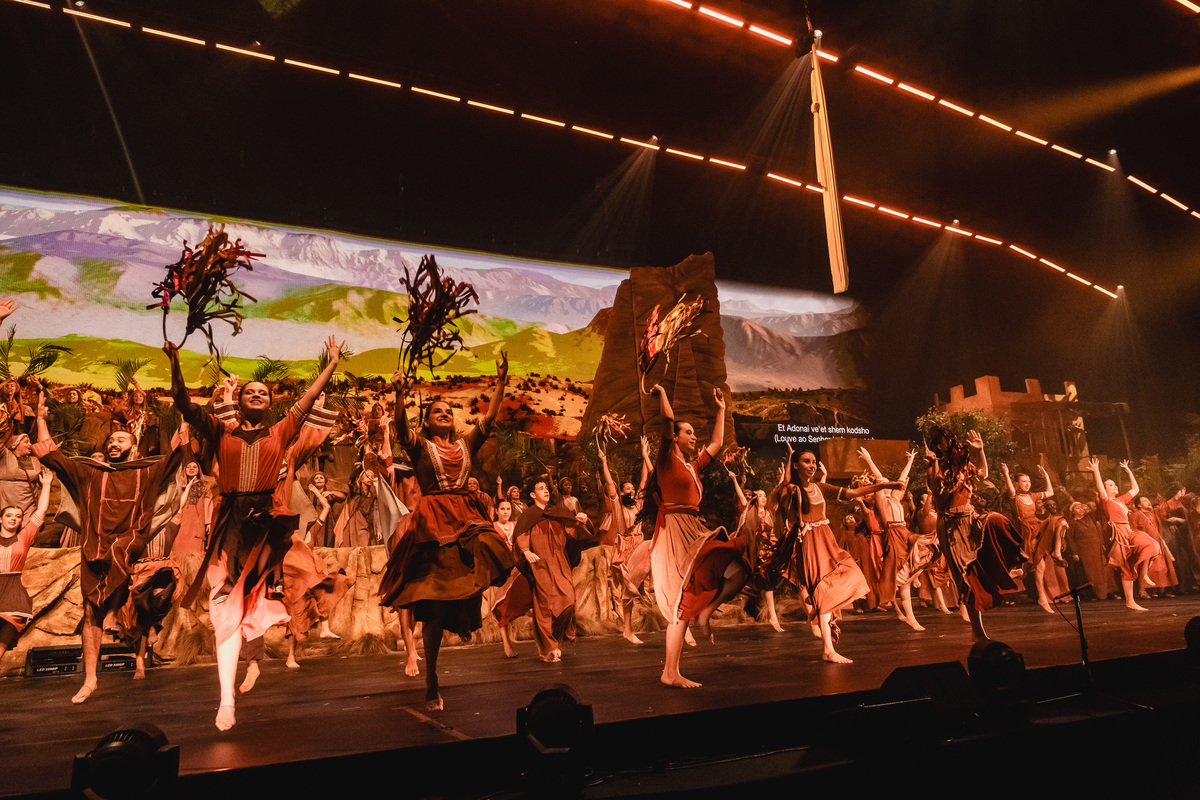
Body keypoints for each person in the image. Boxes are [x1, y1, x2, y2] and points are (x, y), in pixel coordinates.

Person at [165, 335, 344, 731]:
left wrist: (331, 363)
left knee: (266, 590)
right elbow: (182, 402)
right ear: (241, 401)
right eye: (251, 391)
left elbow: (309, 398)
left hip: (264, 522)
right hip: (231, 521)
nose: (258, 394)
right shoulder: (220, 431)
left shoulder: (280, 431)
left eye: (264, 392)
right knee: (225, 606)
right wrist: (175, 363)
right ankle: (226, 699)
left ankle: (264, 638)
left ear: (270, 402)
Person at [378, 355, 514, 711]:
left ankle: (467, 612)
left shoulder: (466, 444)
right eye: (437, 411)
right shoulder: (422, 446)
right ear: (427, 420)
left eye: (448, 411)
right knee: (435, 607)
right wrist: (399, 395)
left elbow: (489, 418)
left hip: (465, 516)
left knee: (488, 544)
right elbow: (401, 430)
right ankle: (432, 678)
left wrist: (500, 383)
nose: (444, 414)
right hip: (434, 522)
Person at [33, 387, 185, 704]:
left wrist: (184, 417)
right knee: (91, 612)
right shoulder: (89, 472)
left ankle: (120, 616)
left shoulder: (146, 472)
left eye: (121, 440)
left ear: (133, 446)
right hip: (95, 547)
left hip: (128, 543)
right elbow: (50, 455)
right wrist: (40, 418)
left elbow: (177, 454)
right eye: (111, 440)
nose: (113, 444)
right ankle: (90, 678)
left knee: (122, 558)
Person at [643, 384, 747, 689]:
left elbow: (716, 442)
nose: (693, 437)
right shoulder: (666, 460)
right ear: (675, 437)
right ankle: (670, 672)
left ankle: (706, 613)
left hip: (693, 530)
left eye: (693, 433)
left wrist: (721, 409)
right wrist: (662, 392)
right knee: (680, 602)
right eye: (688, 432)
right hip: (675, 534)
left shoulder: (692, 466)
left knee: (738, 569)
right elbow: (667, 420)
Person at [772, 444, 899, 662]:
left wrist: (883, 485)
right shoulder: (792, 490)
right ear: (796, 465)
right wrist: (788, 466)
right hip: (809, 543)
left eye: (813, 462)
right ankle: (828, 649)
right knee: (823, 590)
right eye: (806, 461)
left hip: (826, 540)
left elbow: (854, 493)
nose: (812, 465)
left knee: (849, 572)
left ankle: (820, 629)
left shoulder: (820, 487)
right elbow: (783, 500)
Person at [925, 427, 1025, 641]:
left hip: (970, 521)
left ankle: (1005, 569)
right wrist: (933, 463)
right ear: (940, 447)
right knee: (967, 578)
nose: (952, 444)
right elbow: (936, 489)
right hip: (950, 526)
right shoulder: (939, 469)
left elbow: (983, 473)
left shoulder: (965, 468)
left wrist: (980, 451)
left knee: (997, 521)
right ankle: (978, 632)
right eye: (945, 442)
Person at [513, 477, 595, 662]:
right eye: (541, 488)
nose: (546, 491)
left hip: (559, 562)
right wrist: (526, 551)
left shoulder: (558, 512)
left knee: (569, 600)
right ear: (533, 494)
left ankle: (554, 637)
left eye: (546, 488)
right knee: (543, 606)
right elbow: (521, 535)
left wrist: (583, 521)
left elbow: (575, 531)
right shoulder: (528, 516)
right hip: (539, 564)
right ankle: (549, 649)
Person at [857, 447, 927, 631]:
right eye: (886, 484)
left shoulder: (895, 497)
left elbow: (902, 478)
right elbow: (879, 478)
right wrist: (869, 459)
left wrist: (910, 461)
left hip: (904, 532)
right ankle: (909, 615)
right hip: (893, 535)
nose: (889, 484)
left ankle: (914, 576)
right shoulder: (881, 500)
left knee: (929, 543)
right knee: (902, 580)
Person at [597, 435, 653, 644]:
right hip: (625, 548)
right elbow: (610, 483)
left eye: (632, 489)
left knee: (648, 581)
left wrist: (645, 456)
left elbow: (644, 481)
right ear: (621, 493)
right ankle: (627, 629)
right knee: (628, 589)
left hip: (640, 546)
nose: (632, 491)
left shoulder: (638, 504)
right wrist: (604, 462)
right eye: (628, 489)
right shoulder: (617, 505)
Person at [1091, 457, 1159, 611]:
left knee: (1152, 544)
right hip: (1118, 534)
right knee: (1126, 568)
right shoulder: (1106, 501)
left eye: (1114, 484)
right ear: (1105, 489)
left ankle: (1144, 575)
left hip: (1129, 530)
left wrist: (1128, 471)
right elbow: (1100, 488)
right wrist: (1096, 471)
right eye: (1110, 485)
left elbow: (1136, 489)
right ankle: (1130, 601)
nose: (1114, 486)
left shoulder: (1121, 500)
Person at [0, 469, 53, 659]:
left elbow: (41, 511)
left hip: (13, 591)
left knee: (8, 628)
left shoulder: (24, 536)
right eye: (9, 515)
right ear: (0, 519)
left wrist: (46, 485)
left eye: (18, 516)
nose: (13, 518)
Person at [1001, 459, 1058, 610]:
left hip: (1036, 528)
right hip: (1025, 531)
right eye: (1024, 481)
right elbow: (1011, 491)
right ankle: (1016, 574)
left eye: (1029, 481)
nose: (1027, 484)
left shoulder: (1032, 496)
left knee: (1058, 522)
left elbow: (1050, 492)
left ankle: (1042, 597)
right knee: (1033, 563)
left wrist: (1046, 476)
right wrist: (1006, 474)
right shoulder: (1015, 497)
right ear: (1017, 484)